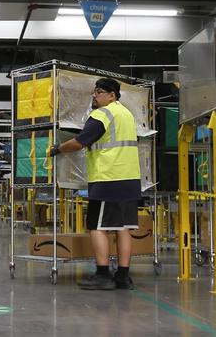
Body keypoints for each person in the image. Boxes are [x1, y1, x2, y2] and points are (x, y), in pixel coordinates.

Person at [49, 77, 141, 290]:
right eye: (94, 92)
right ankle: (123, 277)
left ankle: (102, 275)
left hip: (108, 179)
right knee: (123, 228)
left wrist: (58, 148)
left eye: (99, 92)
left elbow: (81, 141)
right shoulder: (126, 114)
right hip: (130, 179)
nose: (94, 95)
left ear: (112, 95)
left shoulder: (102, 114)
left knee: (97, 227)